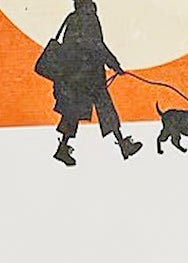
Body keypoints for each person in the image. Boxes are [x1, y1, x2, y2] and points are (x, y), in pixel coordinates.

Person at [43, 0, 142, 166]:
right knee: (104, 108)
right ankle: (123, 144)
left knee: (73, 113)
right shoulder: (89, 18)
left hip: (76, 77)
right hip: (90, 76)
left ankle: (63, 148)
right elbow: (97, 46)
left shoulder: (74, 18)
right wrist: (114, 64)